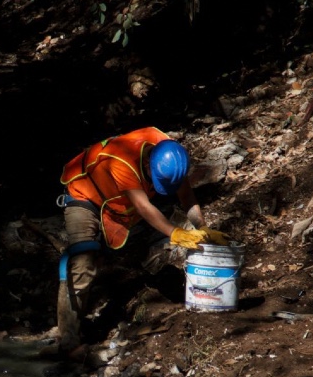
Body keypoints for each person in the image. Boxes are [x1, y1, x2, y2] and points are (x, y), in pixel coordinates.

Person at [55, 127, 227, 354]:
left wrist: (202, 227)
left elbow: (186, 195)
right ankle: (68, 342)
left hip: (113, 200)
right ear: (147, 165)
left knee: (101, 259)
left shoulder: (171, 156)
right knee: (82, 264)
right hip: (84, 195)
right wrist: (175, 233)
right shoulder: (122, 163)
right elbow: (144, 207)